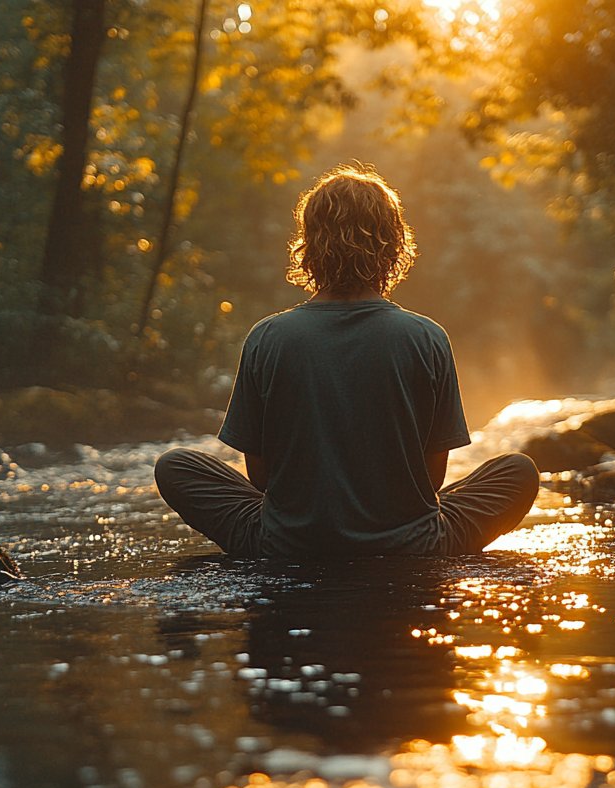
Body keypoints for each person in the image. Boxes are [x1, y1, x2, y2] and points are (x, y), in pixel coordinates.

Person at [154, 164, 538, 558]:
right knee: (519, 471)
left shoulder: (267, 338)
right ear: (393, 245)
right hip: (412, 545)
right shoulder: (427, 338)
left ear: (309, 246)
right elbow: (432, 481)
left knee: (174, 466)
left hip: (286, 544)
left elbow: (262, 478)